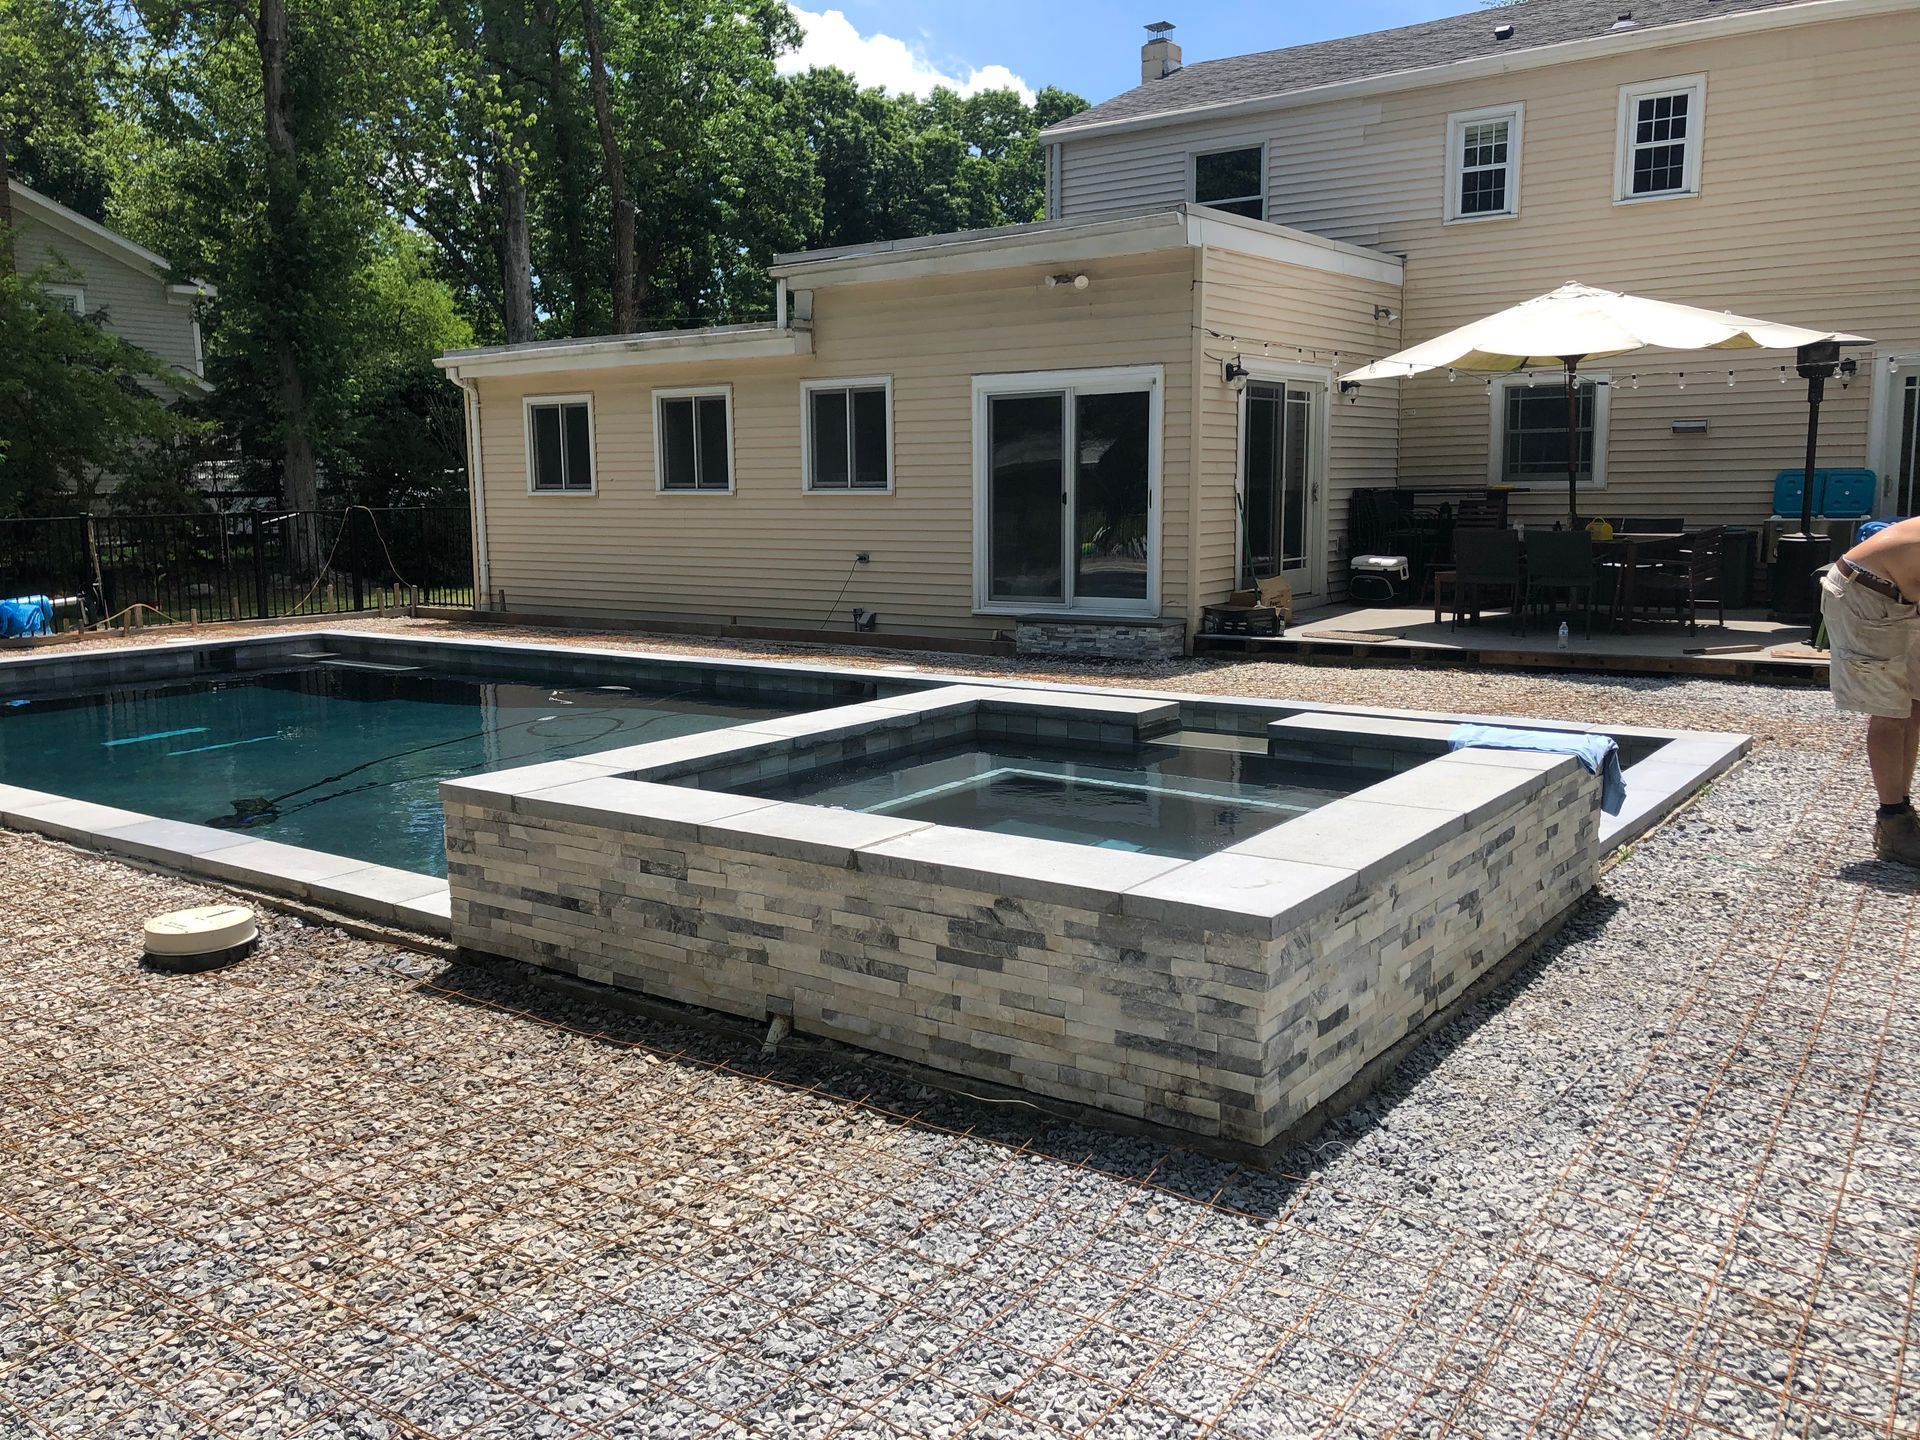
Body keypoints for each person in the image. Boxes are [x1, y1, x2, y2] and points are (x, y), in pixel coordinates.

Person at [1822, 516, 1920, 865]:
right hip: (1866, 591)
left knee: (1913, 704)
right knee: (1891, 709)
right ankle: (1893, 824)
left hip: (1903, 595)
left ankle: (1904, 810)